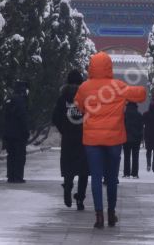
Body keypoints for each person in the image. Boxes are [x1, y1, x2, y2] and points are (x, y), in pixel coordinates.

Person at [75, 51, 146, 229]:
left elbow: (79, 106)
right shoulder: (118, 86)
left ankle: (99, 215)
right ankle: (111, 213)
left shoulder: (84, 87)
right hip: (114, 140)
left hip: (91, 140)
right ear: (109, 67)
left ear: (91, 67)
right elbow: (141, 95)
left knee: (96, 177)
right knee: (112, 178)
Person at [52, 69, 89, 210]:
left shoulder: (62, 98)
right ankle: (80, 198)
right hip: (84, 138)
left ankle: (67, 186)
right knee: (84, 170)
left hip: (68, 138)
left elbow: (55, 117)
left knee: (69, 167)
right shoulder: (86, 97)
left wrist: (64, 129)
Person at [3, 80, 29, 183]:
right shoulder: (21, 101)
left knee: (11, 155)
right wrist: (26, 131)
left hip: (9, 133)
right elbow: (23, 118)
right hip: (19, 134)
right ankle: (18, 177)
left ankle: (11, 176)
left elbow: (5, 116)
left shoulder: (10, 100)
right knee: (19, 156)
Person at [122, 102, 143, 178]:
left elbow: (122, 127)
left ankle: (126, 173)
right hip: (136, 138)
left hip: (126, 138)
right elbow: (141, 127)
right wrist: (140, 137)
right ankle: (135, 174)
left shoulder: (124, 115)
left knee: (126, 157)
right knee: (135, 156)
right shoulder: (139, 115)